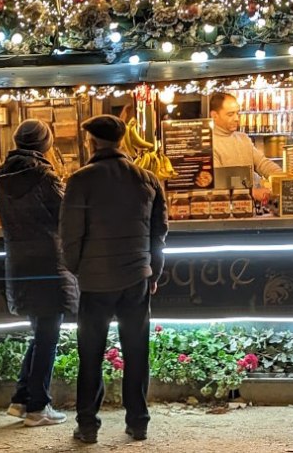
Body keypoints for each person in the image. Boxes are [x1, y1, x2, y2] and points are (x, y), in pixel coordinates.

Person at [59, 114, 169, 444]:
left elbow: (69, 235)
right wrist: (153, 271)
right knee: (136, 351)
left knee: (90, 354)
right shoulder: (147, 179)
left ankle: (88, 426)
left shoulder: (80, 180)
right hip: (136, 278)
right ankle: (138, 422)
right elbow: (159, 233)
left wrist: (78, 269)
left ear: (92, 142)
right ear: (121, 141)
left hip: (95, 282)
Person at [0, 119, 79, 427]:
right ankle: (37, 406)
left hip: (19, 263)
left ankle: (21, 400)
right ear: (45, 143)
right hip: (48, 262)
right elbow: (65, 212)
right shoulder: (44, 175)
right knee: (48, 336)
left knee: (41, 333)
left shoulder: (1, 175)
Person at [209, 92, 282, 197]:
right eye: (230, 114)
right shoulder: (210, 145)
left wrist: (283, 178)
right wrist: (252, 193)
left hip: (249, 208)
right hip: (224, 208)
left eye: (237, 113)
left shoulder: (243, 139)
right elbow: (217, 185)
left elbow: (263, 164)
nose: (236, 119)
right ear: (214, 116)